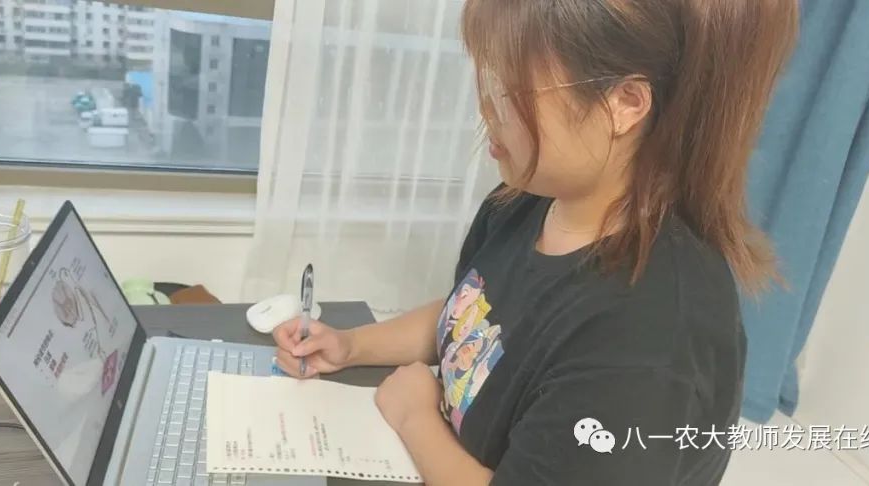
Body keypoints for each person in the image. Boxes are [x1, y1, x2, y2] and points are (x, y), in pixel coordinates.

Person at [272, 0, 798, 483]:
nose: (487, 108)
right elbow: (473, 313)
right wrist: (352, 346)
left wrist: (415, 417)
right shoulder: (525, 202)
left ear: (625, 103)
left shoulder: (650, 338)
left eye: (513, 86)